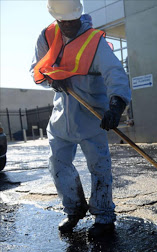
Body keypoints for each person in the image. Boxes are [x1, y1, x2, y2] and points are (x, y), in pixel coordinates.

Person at [30, 0, 131, 237]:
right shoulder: (46, 37)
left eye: (72, 21)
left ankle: (104, 216)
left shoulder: (94, 41)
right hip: (60, 117)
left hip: (91, 116)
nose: (68, 26)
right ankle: (74, 209)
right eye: (63, 22)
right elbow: (37, 69)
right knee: (58, 164)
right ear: (56, 18)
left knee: (99, 167)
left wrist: (116, 105)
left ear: (80, 15)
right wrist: (51, 80)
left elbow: (114, 73)